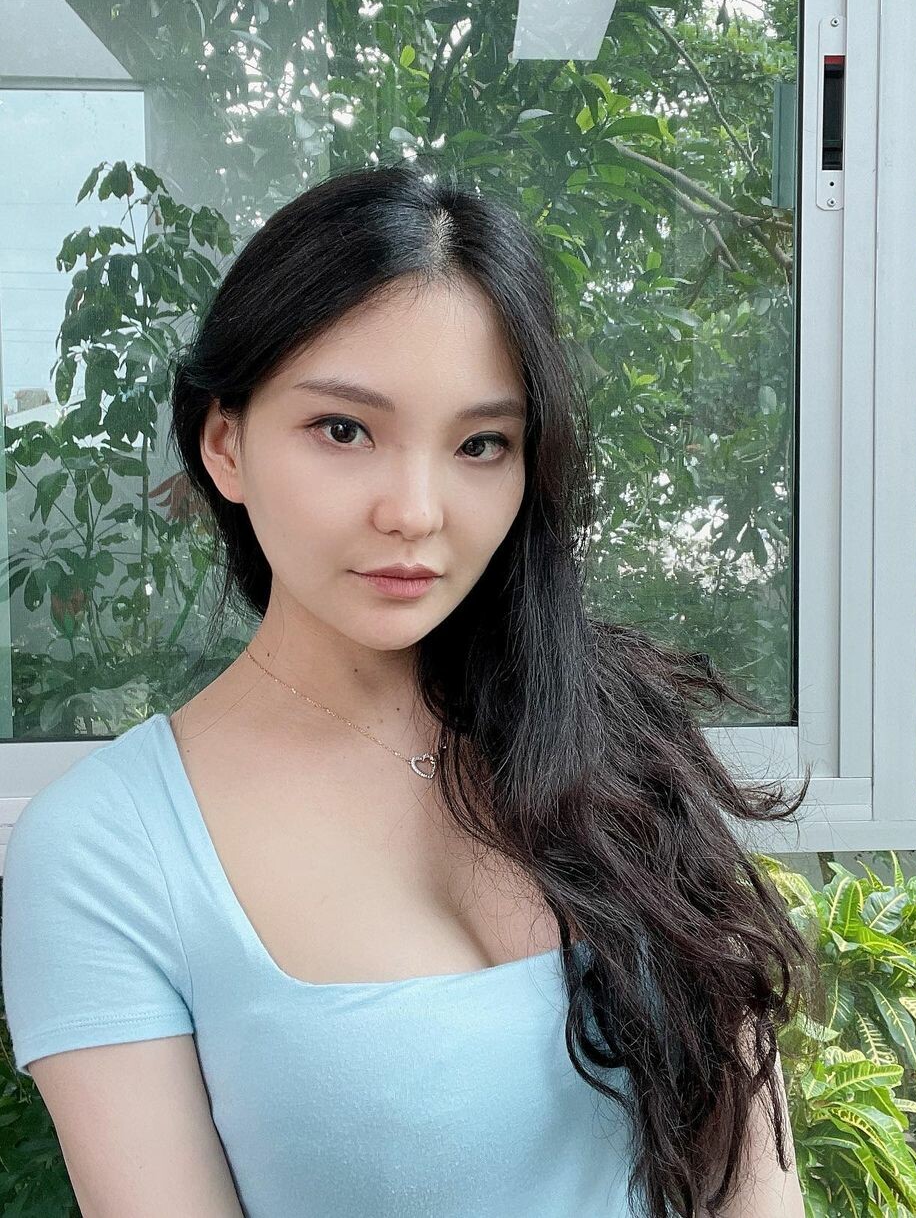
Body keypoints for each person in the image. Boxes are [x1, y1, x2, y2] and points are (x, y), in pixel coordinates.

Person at [1, 158, 816, 1217]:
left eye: (481, 443)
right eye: (344, 430)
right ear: (226, 443)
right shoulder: (111, 849)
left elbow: (752, 1164)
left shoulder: (613, 725)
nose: (416, 511)